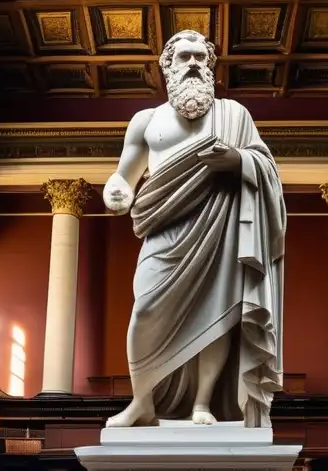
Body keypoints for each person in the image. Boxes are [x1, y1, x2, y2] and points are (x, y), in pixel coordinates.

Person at [103, 30, 287, 429]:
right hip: (164, 229)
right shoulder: (146, 121)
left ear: (210, 68)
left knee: (216, 315)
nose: (192, 65)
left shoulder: (234, 115)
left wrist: (237, 159)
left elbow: (265, 164)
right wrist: (116, 189)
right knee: (145, 311)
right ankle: (142, 402)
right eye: (184, 57)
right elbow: (124, 174)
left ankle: (204, 403)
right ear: (167, 66)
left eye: (200, 58)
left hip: (219, 228)